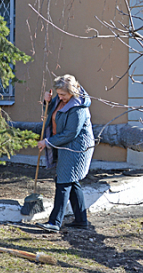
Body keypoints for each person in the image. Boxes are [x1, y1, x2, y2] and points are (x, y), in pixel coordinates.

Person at [36, 74, 95, 232]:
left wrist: (48, 142)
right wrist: (47, 102)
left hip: (77, 147)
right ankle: (81, 220)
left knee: (63, 182)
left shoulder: (78, 108)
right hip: (64, 145)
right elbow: (51, 115)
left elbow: (70, 133)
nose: (60, 97)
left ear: (72, 92)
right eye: (58, 94)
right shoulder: (60, 100)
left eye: (63, 94)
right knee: (72, 181)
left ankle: (54, 222)